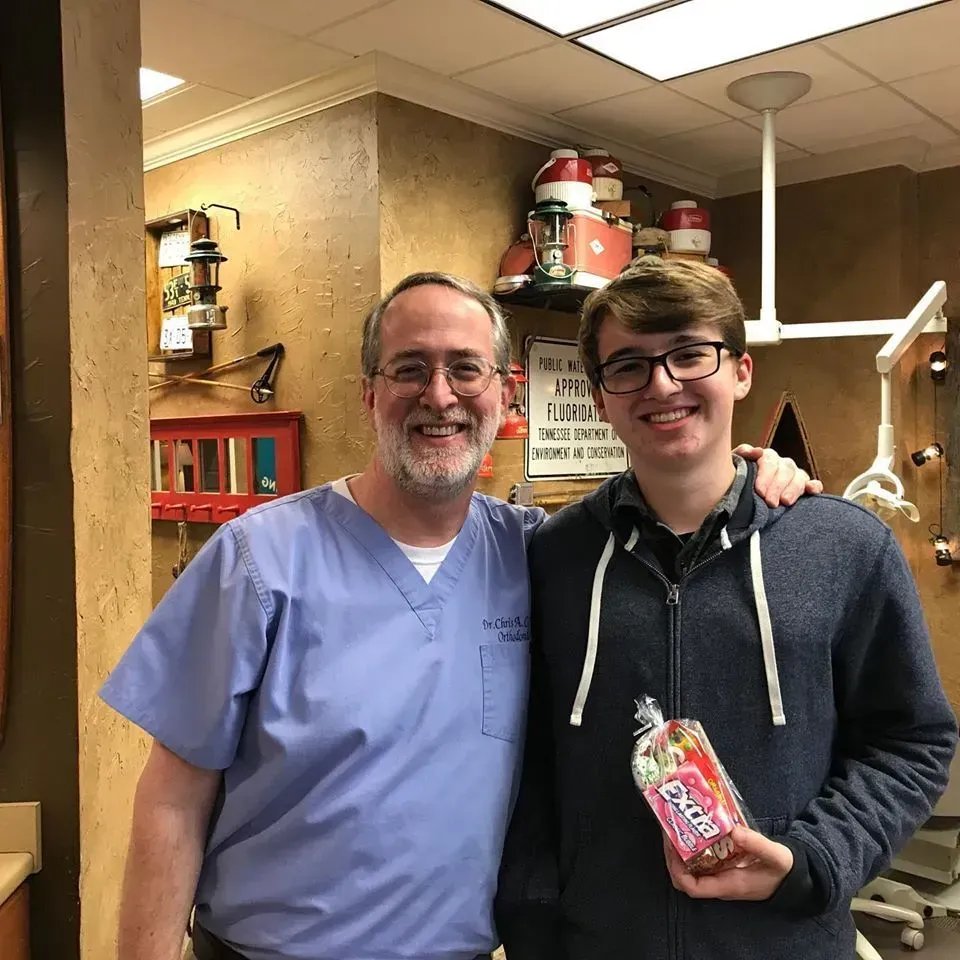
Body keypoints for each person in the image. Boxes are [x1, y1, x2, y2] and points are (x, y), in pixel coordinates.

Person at [100, 271, 816, 960]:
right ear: (369, 394)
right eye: (409, 369)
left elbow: (674, 508)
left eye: (465, 370)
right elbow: (171, 800)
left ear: (504, 395)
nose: (438, 396)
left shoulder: (536, 554)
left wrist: (752, 477)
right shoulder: (257, 560)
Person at [494, 256, 959, 960]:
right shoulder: (553, 558)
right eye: (629, 366)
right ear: (600, 397)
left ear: (741, 371)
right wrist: (533, 925)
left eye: (690, 353)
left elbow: (911, 742)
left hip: (785, 942)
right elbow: (527, 764)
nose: (662, 384)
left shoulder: (843, 547)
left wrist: (814, 861)